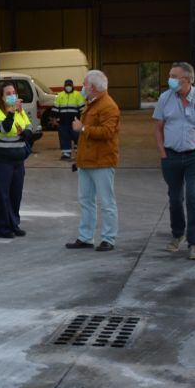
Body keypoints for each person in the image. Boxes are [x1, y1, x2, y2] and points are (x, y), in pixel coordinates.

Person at [153, 61, 195, 261]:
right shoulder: (165, 98)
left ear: (187, 79)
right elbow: (158, 128)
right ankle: (177, 234)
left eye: (174, 76)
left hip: (194, 157)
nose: (170, 79)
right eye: (170, 75)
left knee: (193, 198)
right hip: (171, 156)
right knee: (174, 199)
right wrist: (163, 153)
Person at [64, 70, 120, 252]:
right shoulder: (92, 103)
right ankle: (86, 237)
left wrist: (83, 128)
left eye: (85, 84)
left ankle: (108, 238)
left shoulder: (108, 106)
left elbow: (107, 132)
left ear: (93, 87)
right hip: (87, 161)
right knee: (86, 200)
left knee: (106, 201)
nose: (82, 87)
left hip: (102, 161)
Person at [0, 81, 34, 239]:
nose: (12, 96)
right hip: (1, 161)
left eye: (14, 93)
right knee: (1, 195)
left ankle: (14, 224)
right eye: (8, 93)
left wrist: (25, 132)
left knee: (15, 194)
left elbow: (28, 127)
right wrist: (12, 113)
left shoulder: (20, 112)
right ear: (1, 97)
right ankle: (2, 228)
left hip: (17, 160)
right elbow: (5, 128)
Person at [54, 78, 86, 160]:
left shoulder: (77, 95)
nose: (68, 87)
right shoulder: (60, 95)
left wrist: (81, 119)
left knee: (77, 136)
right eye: (67, 85)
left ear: (72, 86)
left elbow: (82, 109)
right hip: (63, 121)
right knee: (64, 137)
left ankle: (79, 152)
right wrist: (55, 117)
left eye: (69, 85)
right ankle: (66, 153)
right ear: (64, 86)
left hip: (74, 121)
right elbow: (56, 107)